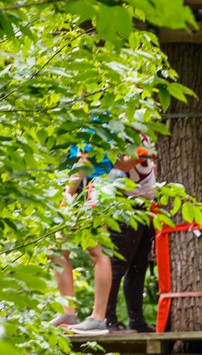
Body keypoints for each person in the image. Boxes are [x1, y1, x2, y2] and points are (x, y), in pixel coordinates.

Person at [69, 142, 157, 334]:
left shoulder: (141, 132)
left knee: (138, 266)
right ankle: (107, 318)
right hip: (122, 205)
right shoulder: (116, 132)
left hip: (145, 207)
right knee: (115, 263)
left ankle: (137, 320)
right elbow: (122, 164)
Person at [50, 145, 113, 328]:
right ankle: (68, 312)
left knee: (98, 251)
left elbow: (83, 161)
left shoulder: (91, 121)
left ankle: (98, 318)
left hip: (92, 187)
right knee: (56, 248)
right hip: (83, 187)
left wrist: (67, 194)